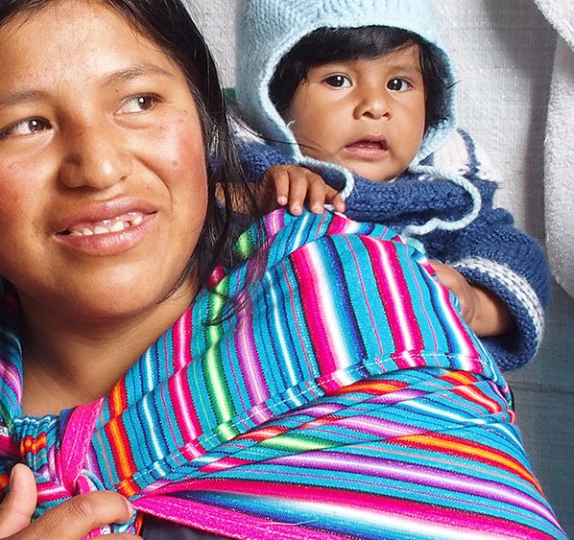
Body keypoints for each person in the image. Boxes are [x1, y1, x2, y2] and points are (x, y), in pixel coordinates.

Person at [0, 0, 567, 538]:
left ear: (208, 123)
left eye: (141, 101)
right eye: (27, 124)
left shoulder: (366, 318)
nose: (100, 166)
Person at [234, 0, 551, 372]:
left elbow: (517, 259)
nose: (375, 106)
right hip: (274, 387)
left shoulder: (444, 195)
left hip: (411, 400)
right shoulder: (244, 167)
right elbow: (189, 231)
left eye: (398, 84)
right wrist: (253, 196)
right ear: (270, 96)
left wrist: (475, 302)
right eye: (338, 80)